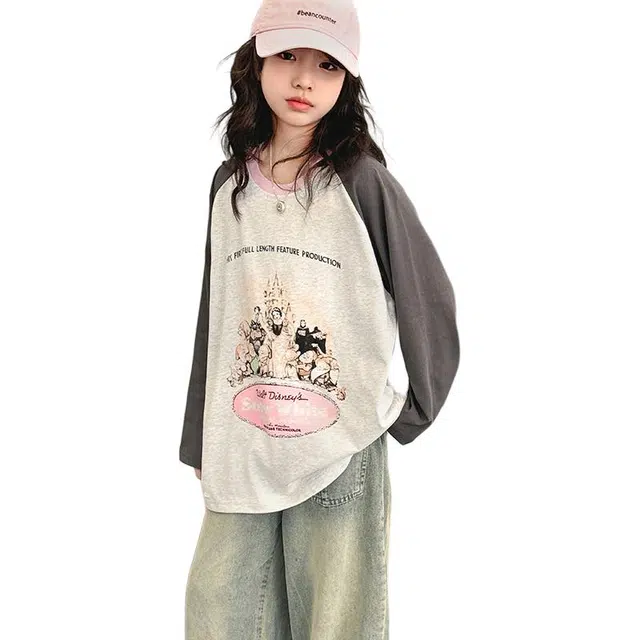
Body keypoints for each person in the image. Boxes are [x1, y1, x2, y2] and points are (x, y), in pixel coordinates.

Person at [179, 0, 460, 637]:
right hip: (243, 443)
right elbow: (216, 314)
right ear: (256, 63)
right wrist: (199, 434)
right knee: (219, 606)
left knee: (335, 621)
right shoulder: (230, 186)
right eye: (287, 56)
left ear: (347, 80)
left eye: (327, 65)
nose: (304, 79)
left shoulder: (362, 183)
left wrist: (409, 411)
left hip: (338, 446)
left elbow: (428, 297)